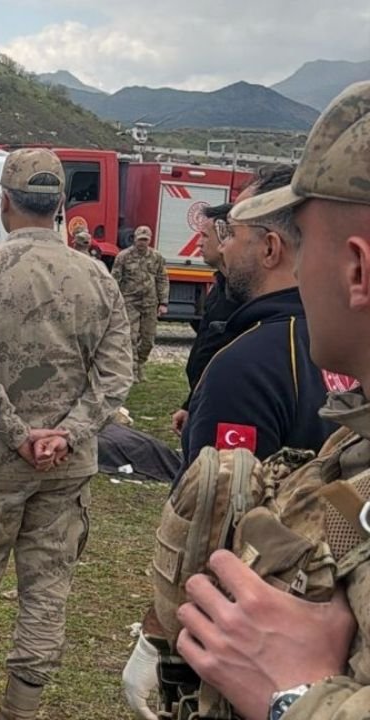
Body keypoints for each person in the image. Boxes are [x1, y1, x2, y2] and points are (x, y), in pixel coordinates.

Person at [173, 80, 370, 720]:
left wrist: (295, 696)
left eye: (306, 243)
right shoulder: (352, 442)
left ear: (357, 270)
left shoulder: (250, 360)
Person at [0, 148, 133, 720]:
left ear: (4, 202)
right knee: (46, 591)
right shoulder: (97, 276)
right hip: (65, 469)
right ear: (61, 206)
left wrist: (18, 434)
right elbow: (116, 374)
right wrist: (66, 434)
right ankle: (22, 711)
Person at [175, 165, 336, 480]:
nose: (223, 247)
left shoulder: (246, 366)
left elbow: (219, 513)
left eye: (232, 232)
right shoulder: (344, 341)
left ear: (270, 248)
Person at [171, 203, 242, 435]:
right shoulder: (221, 287)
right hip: (204, 401)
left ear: (224, 237)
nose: (199, 243)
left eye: (204, 236)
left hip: (226, 408)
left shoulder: (241, 295)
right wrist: (190, 404)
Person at [112, 225, 169, 381]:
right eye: (140, 240)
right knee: (130, 337)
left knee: (148, 340)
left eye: (145, 240)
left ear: (149, 240)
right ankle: (133, 371)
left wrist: (163, 302)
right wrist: (114, 301)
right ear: (135, 239)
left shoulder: (157, 257)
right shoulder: (123, 256)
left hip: (150, 303)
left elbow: (162, 279)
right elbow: (115, 279)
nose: (142, 243)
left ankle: (141, 363)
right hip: (130, 302)